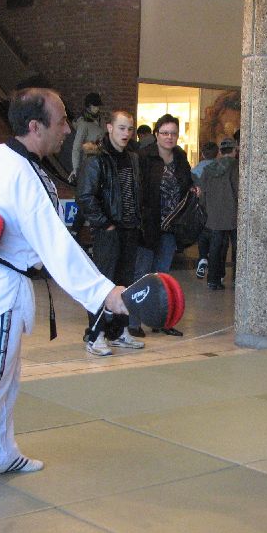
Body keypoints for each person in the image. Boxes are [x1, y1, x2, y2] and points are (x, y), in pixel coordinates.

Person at [0, 88, 128, 500]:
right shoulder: (19, 173)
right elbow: (56, 245)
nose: (68, 130)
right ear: (35, 127)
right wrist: (105, 294)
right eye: (61, 121)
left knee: (4, 375)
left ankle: (1, 454)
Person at [76, 109, 145, 356]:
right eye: (121, 128)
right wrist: (105, 224)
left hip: (129, 229)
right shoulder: (96, 157)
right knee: (103, 283)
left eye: (130, 129)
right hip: (108, 231)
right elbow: (85, 195)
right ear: (110, 128)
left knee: (125, 282)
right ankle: (96, 335)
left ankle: (119, 331)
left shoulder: (132, 158)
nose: (126, 133)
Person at [133, 113, 195, 337]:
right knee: (142, 274)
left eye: (173, 133)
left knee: (163, 275)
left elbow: (186, 183)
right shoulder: (144, 157)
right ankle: (133, 322)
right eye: (165, 133)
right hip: (148, 225)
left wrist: (193, 190)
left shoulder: (180, 157)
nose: (169, 137)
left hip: (172, 226)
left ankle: (160, 320)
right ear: (156, 134)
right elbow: (138, 189)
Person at [199, 137, 239, 290]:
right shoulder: (236, 167)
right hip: (234, 214)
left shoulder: (209, 168)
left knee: (215, 247)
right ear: (234, 151)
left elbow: (202, 193)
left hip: (214, 214)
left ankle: (213, 280)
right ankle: (237, 280)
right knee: (237, 248)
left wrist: (207, 209)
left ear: (220, 152)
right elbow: (238, 190)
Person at [191, 141, 219, 279]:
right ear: (217, 154)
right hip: (217, 206)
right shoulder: (219, 168)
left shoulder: (195, 170)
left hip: (201, 206)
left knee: (202, 232)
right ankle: (215, 267)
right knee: (217, 235)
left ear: (202, 154)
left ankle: (203, 257)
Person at [70, 92, 105, 179]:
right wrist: (75, 168)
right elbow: (76, 148)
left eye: (98, 106)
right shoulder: (83, 123)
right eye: (94, 106)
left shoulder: (100, 119)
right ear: (88, 106)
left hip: (101, 159)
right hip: (89, 162)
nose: (97, 108)